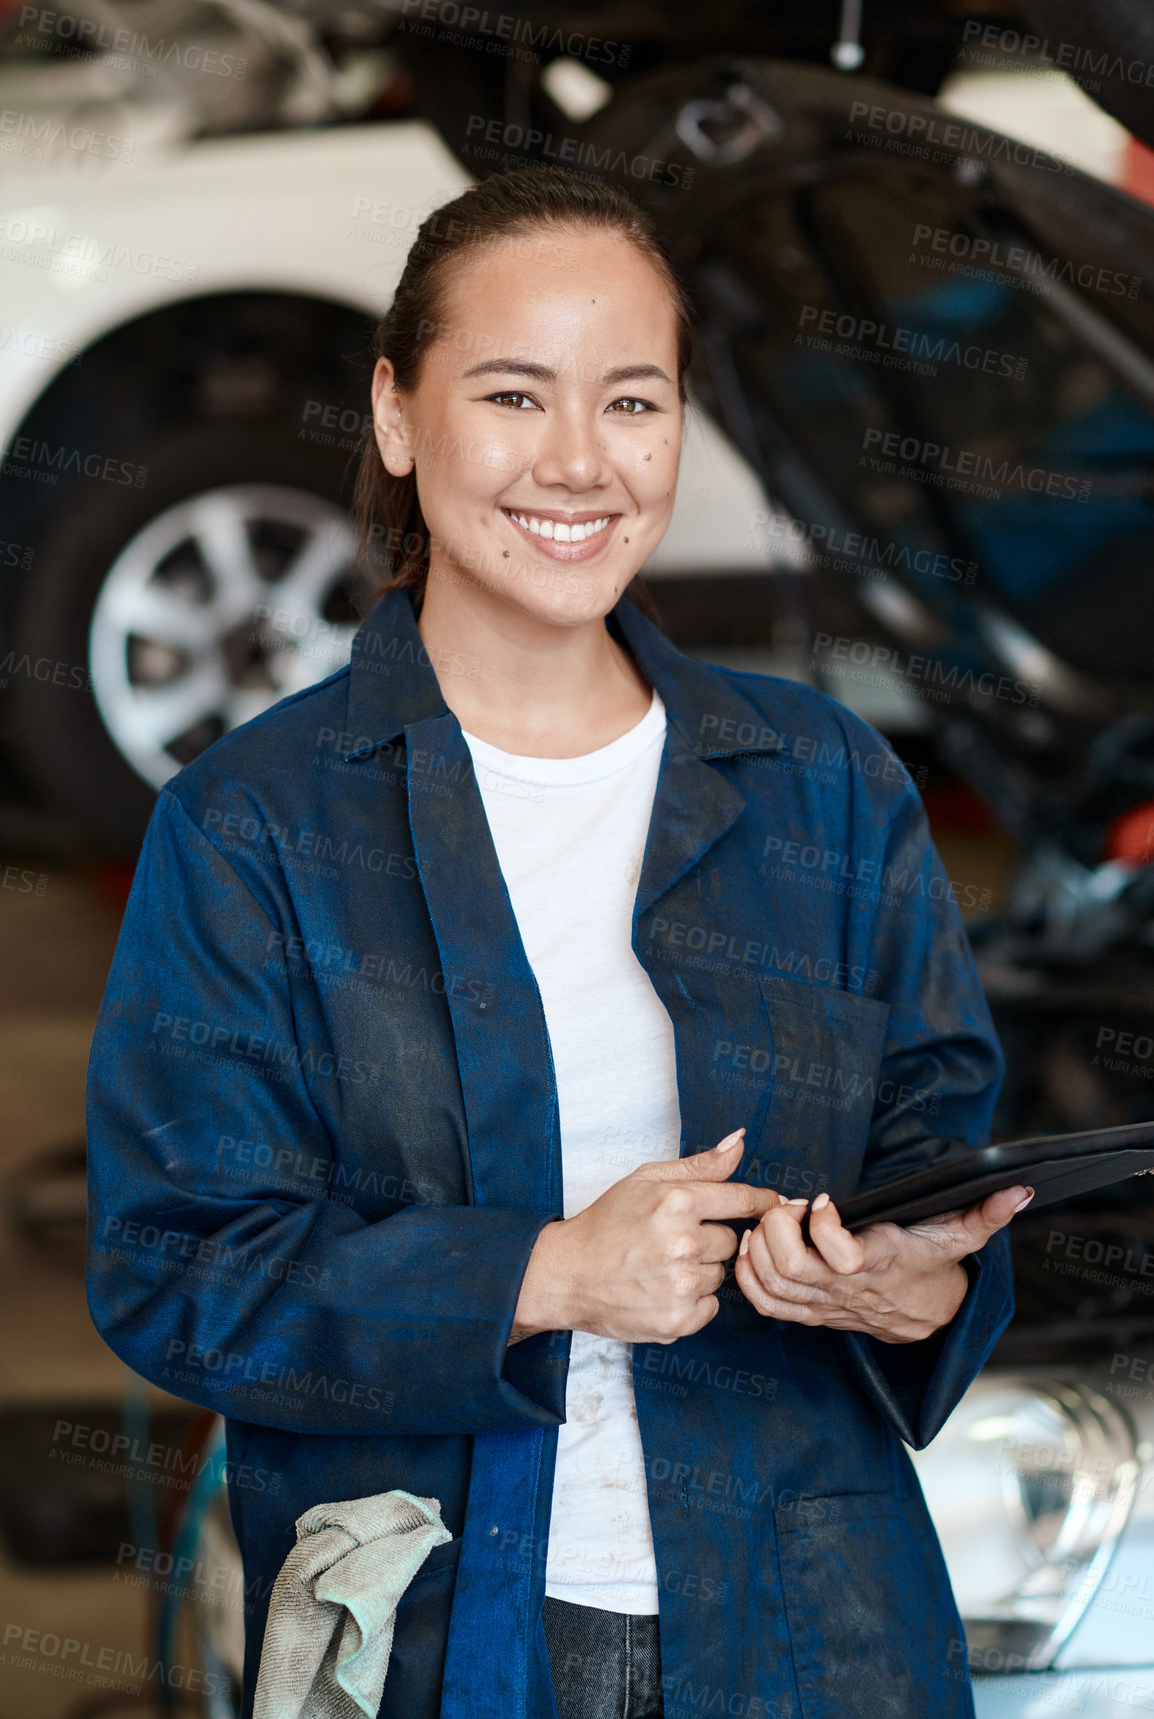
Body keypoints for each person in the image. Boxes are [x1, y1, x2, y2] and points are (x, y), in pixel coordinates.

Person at [86, 166, 1031, 1719]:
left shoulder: (826, 783)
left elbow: (934, 1158)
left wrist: (906, 1290)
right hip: (443, 1627)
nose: (580, 464)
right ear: (396, 414)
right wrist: (542, 1272)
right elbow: (179, 1273)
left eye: (633, 402)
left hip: (811, 1634)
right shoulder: (252, 824)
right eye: (514, 395)